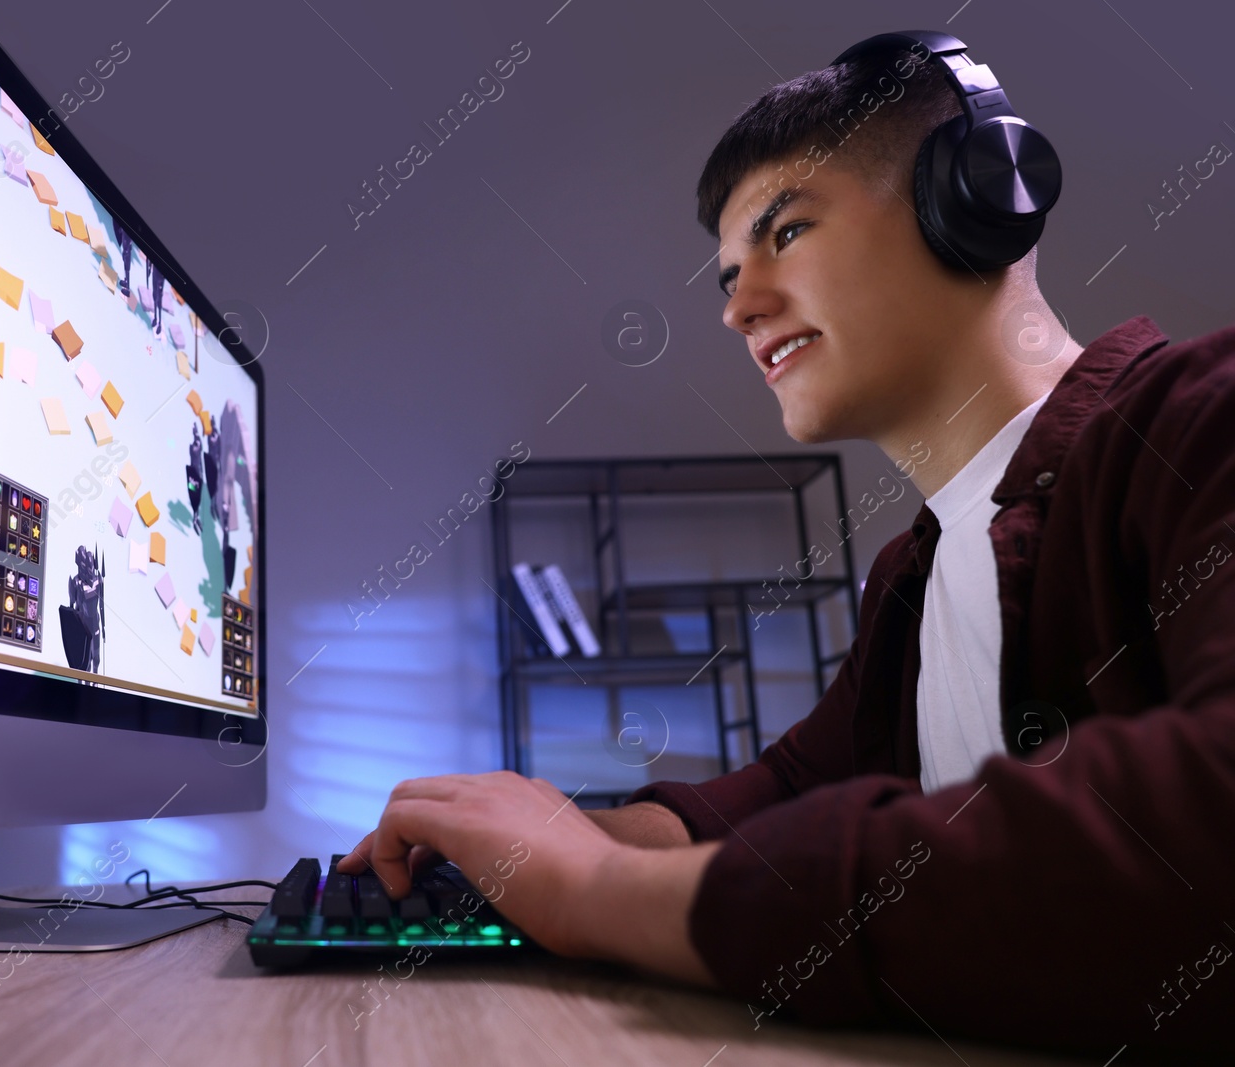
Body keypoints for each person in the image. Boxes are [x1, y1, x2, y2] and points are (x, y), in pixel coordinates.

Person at [337, 33, 1234, 1061]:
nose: (736, 305)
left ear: (978, 201)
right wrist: (533, 834)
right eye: (727, 272)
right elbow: (781, 793)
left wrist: (593, 886)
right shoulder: (913, 573)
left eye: (787, 231)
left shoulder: (1202, 422)